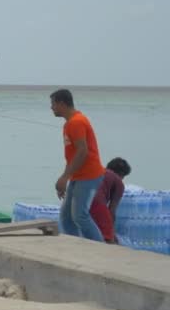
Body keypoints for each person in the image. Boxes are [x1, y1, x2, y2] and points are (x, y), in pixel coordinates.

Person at [51, 89, 106, 242]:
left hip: (90, 175)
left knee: (80, 215)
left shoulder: (77, 122)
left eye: (53, 104)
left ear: (62, 103)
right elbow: (72, 156)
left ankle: (101, 248)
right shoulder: (69, 124)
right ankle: (74, 246)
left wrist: (64, 177)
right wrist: (65, 178)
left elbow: (83, 152)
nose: (51, 108)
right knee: (66, 217)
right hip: (77, 176)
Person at [90, 158, 131, 243]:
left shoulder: (98, 171)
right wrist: (111, 231)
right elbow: (112, 210)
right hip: (97, 204)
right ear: (122, 174)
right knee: (108, 240)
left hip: (80, 201)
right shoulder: (119, 182)